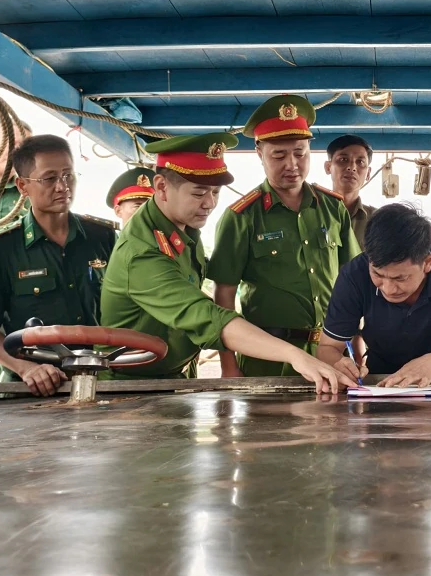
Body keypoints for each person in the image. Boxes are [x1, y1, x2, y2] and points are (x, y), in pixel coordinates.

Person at [100, 133, 353, 393]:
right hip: (128, 387)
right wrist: (295, 355)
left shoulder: (184, 231)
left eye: (215, 192)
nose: (209, 204)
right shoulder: (141, 252)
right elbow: (206, 316)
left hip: (172, 377)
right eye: (199, 193)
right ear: (162, 187)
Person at [207, 95, 360, 378]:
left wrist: (358, 348)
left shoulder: (333, 208)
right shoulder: (241, 216)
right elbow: (223, 296)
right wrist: (228, 365)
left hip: (331, 353)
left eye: (300, 154)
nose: (292, 164)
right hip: (268, 359)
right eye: (279, 155)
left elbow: (355, 280)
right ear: (259, 153)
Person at [0, 135, 117, 396]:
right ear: (23, 186)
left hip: (101, 379)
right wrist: (25, 368)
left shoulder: (103, 237)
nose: (63, 186)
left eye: (68, 175)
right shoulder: (0, 248)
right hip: (35, 387)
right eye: (49, 178)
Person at [317, 203, 431, 387]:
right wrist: (338, 363)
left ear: (428, 263)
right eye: (378, 274)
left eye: (400, 278)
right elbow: (328, 348)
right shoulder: (354, 274)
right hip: (381, 384)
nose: (388, 289)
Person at [324, 134, 377, 248]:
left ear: (368, 173)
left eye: (360, 162)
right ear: (328, 167)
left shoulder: (378, 220)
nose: (352, 167)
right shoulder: (312, 214)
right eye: (343, 160)